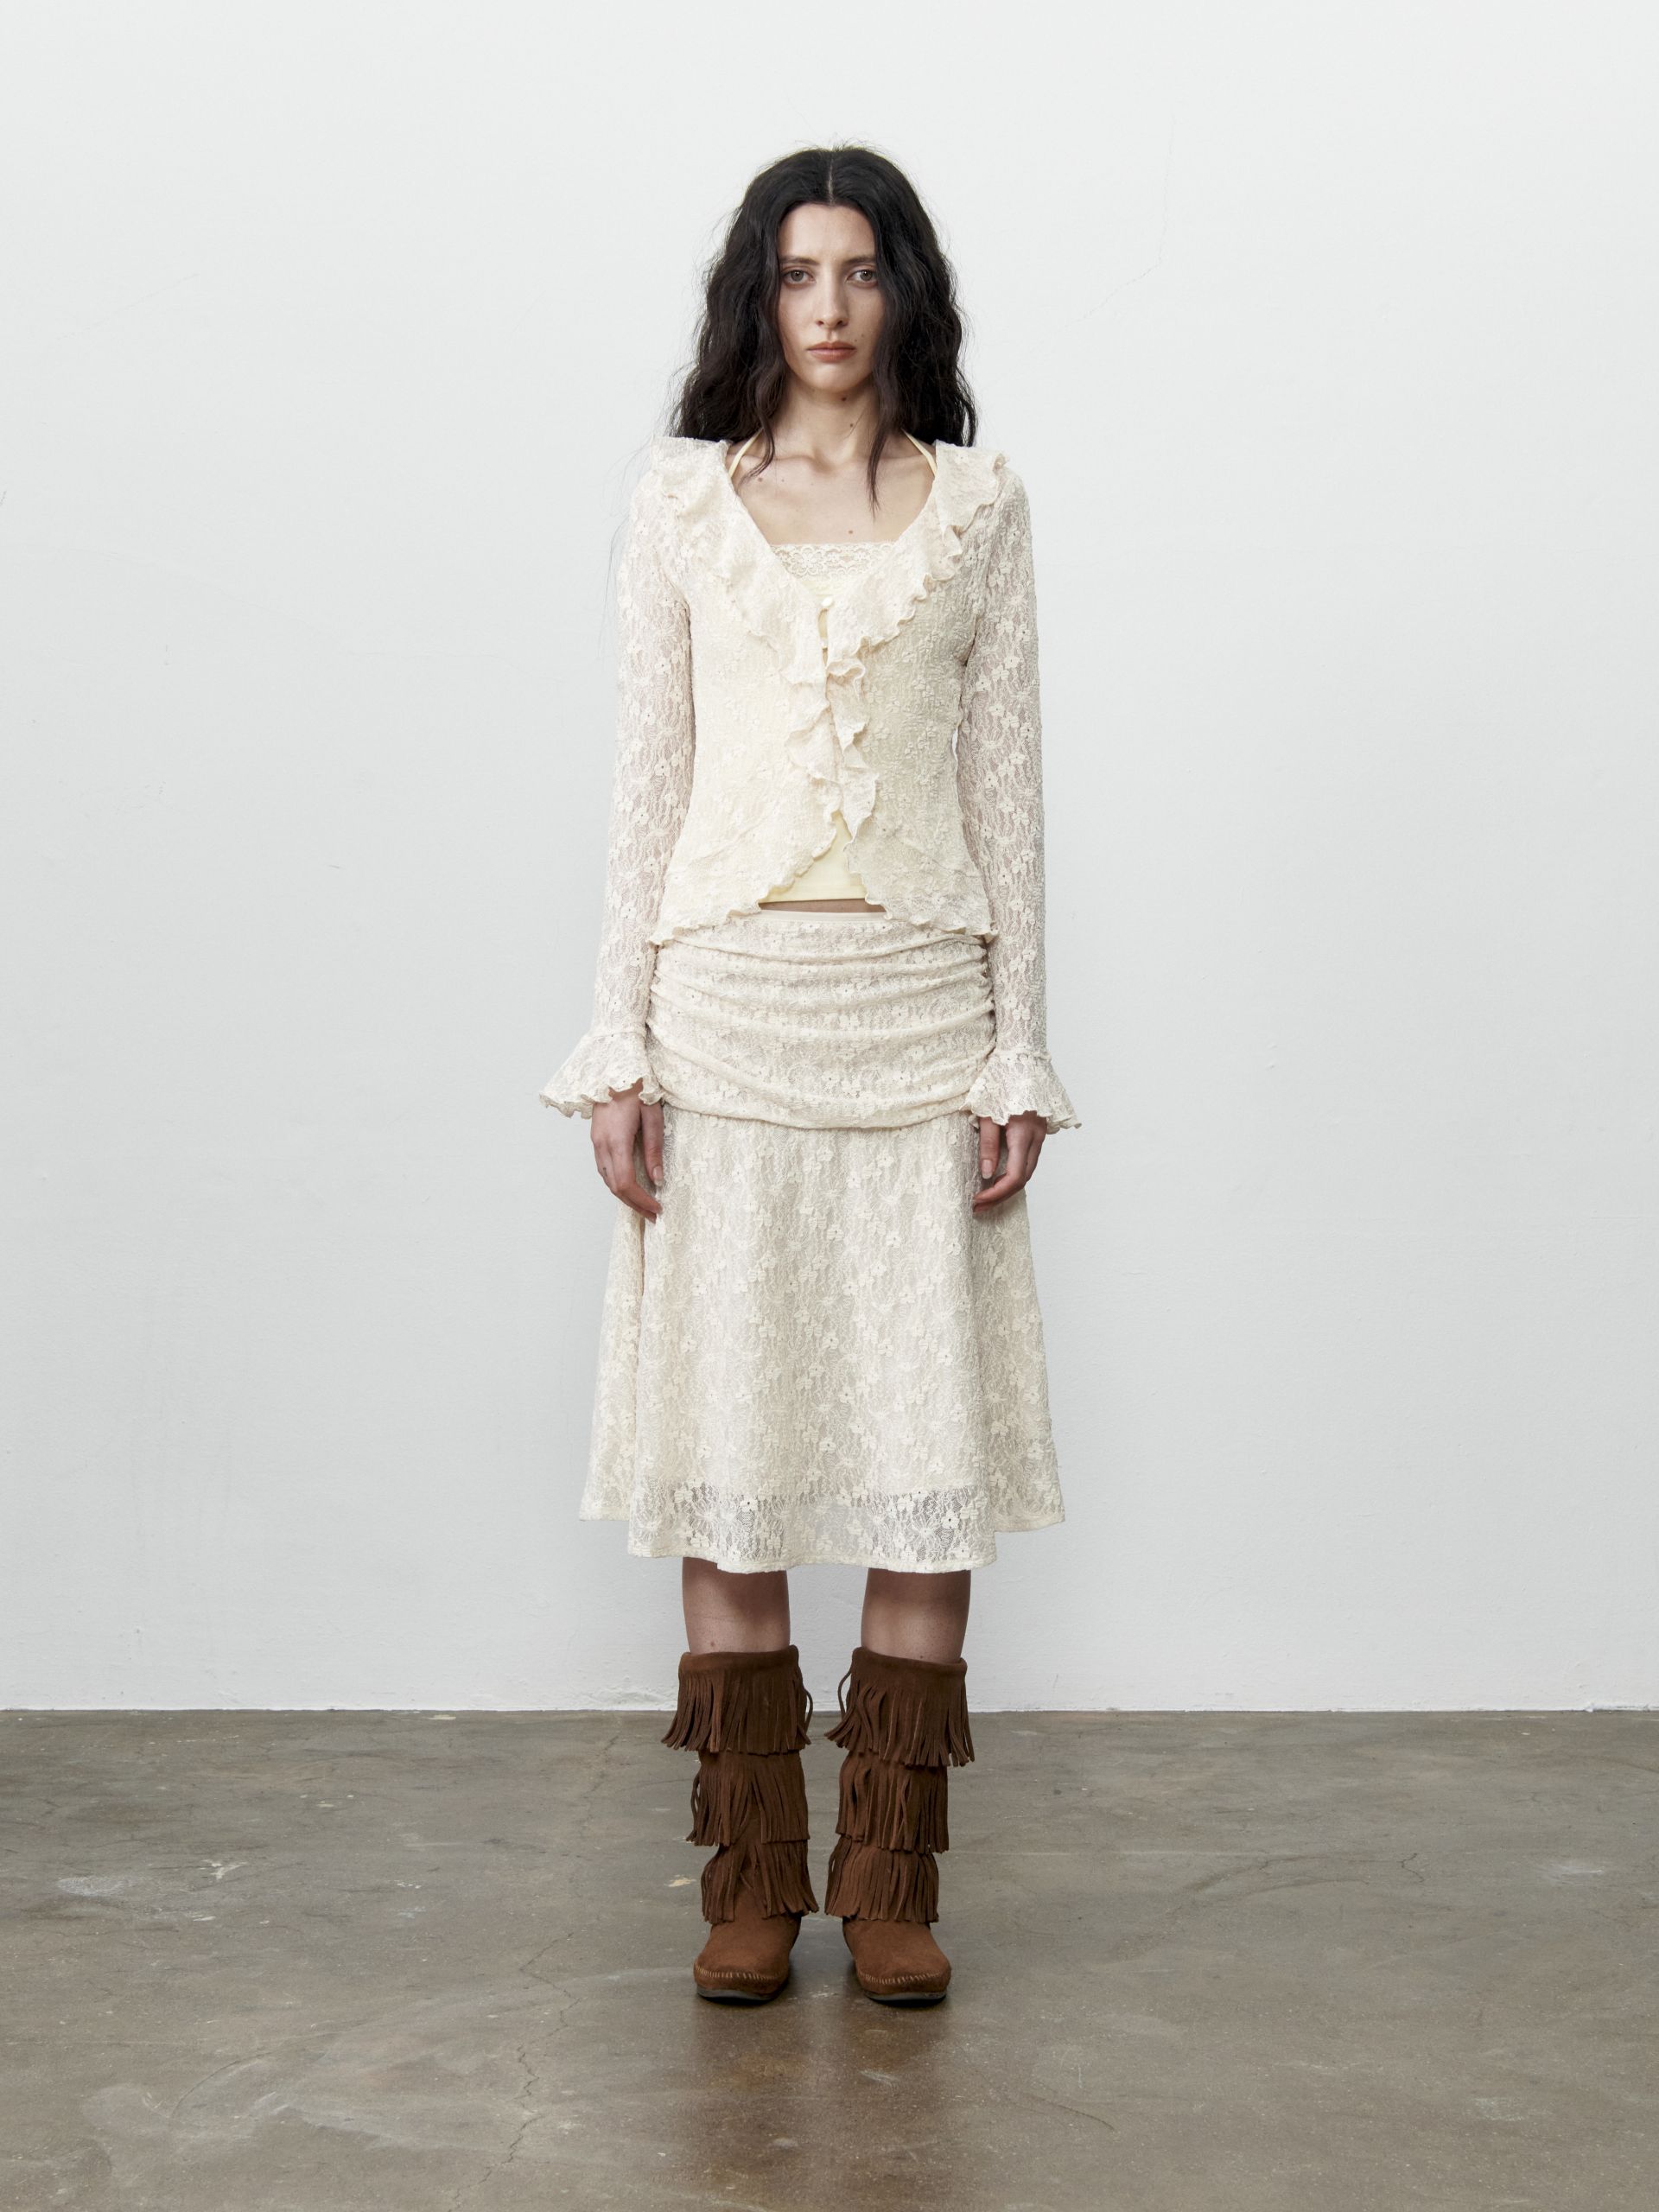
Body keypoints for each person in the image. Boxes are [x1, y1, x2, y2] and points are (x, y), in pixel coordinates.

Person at [540, 144, 1079, 2007]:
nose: (829, 307)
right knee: (733, 1457)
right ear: (756, 301)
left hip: (920, 1015)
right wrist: (617, 1039)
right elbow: (646, 789)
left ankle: (892, 1880)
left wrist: (1019, 1042)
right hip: (729, 1016)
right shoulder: (685, 506)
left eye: (858, 271)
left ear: (903, 291)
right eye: (795, 274)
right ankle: (754, 1882)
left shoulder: (982, 509)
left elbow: (1009, 796)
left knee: (925, 1450)